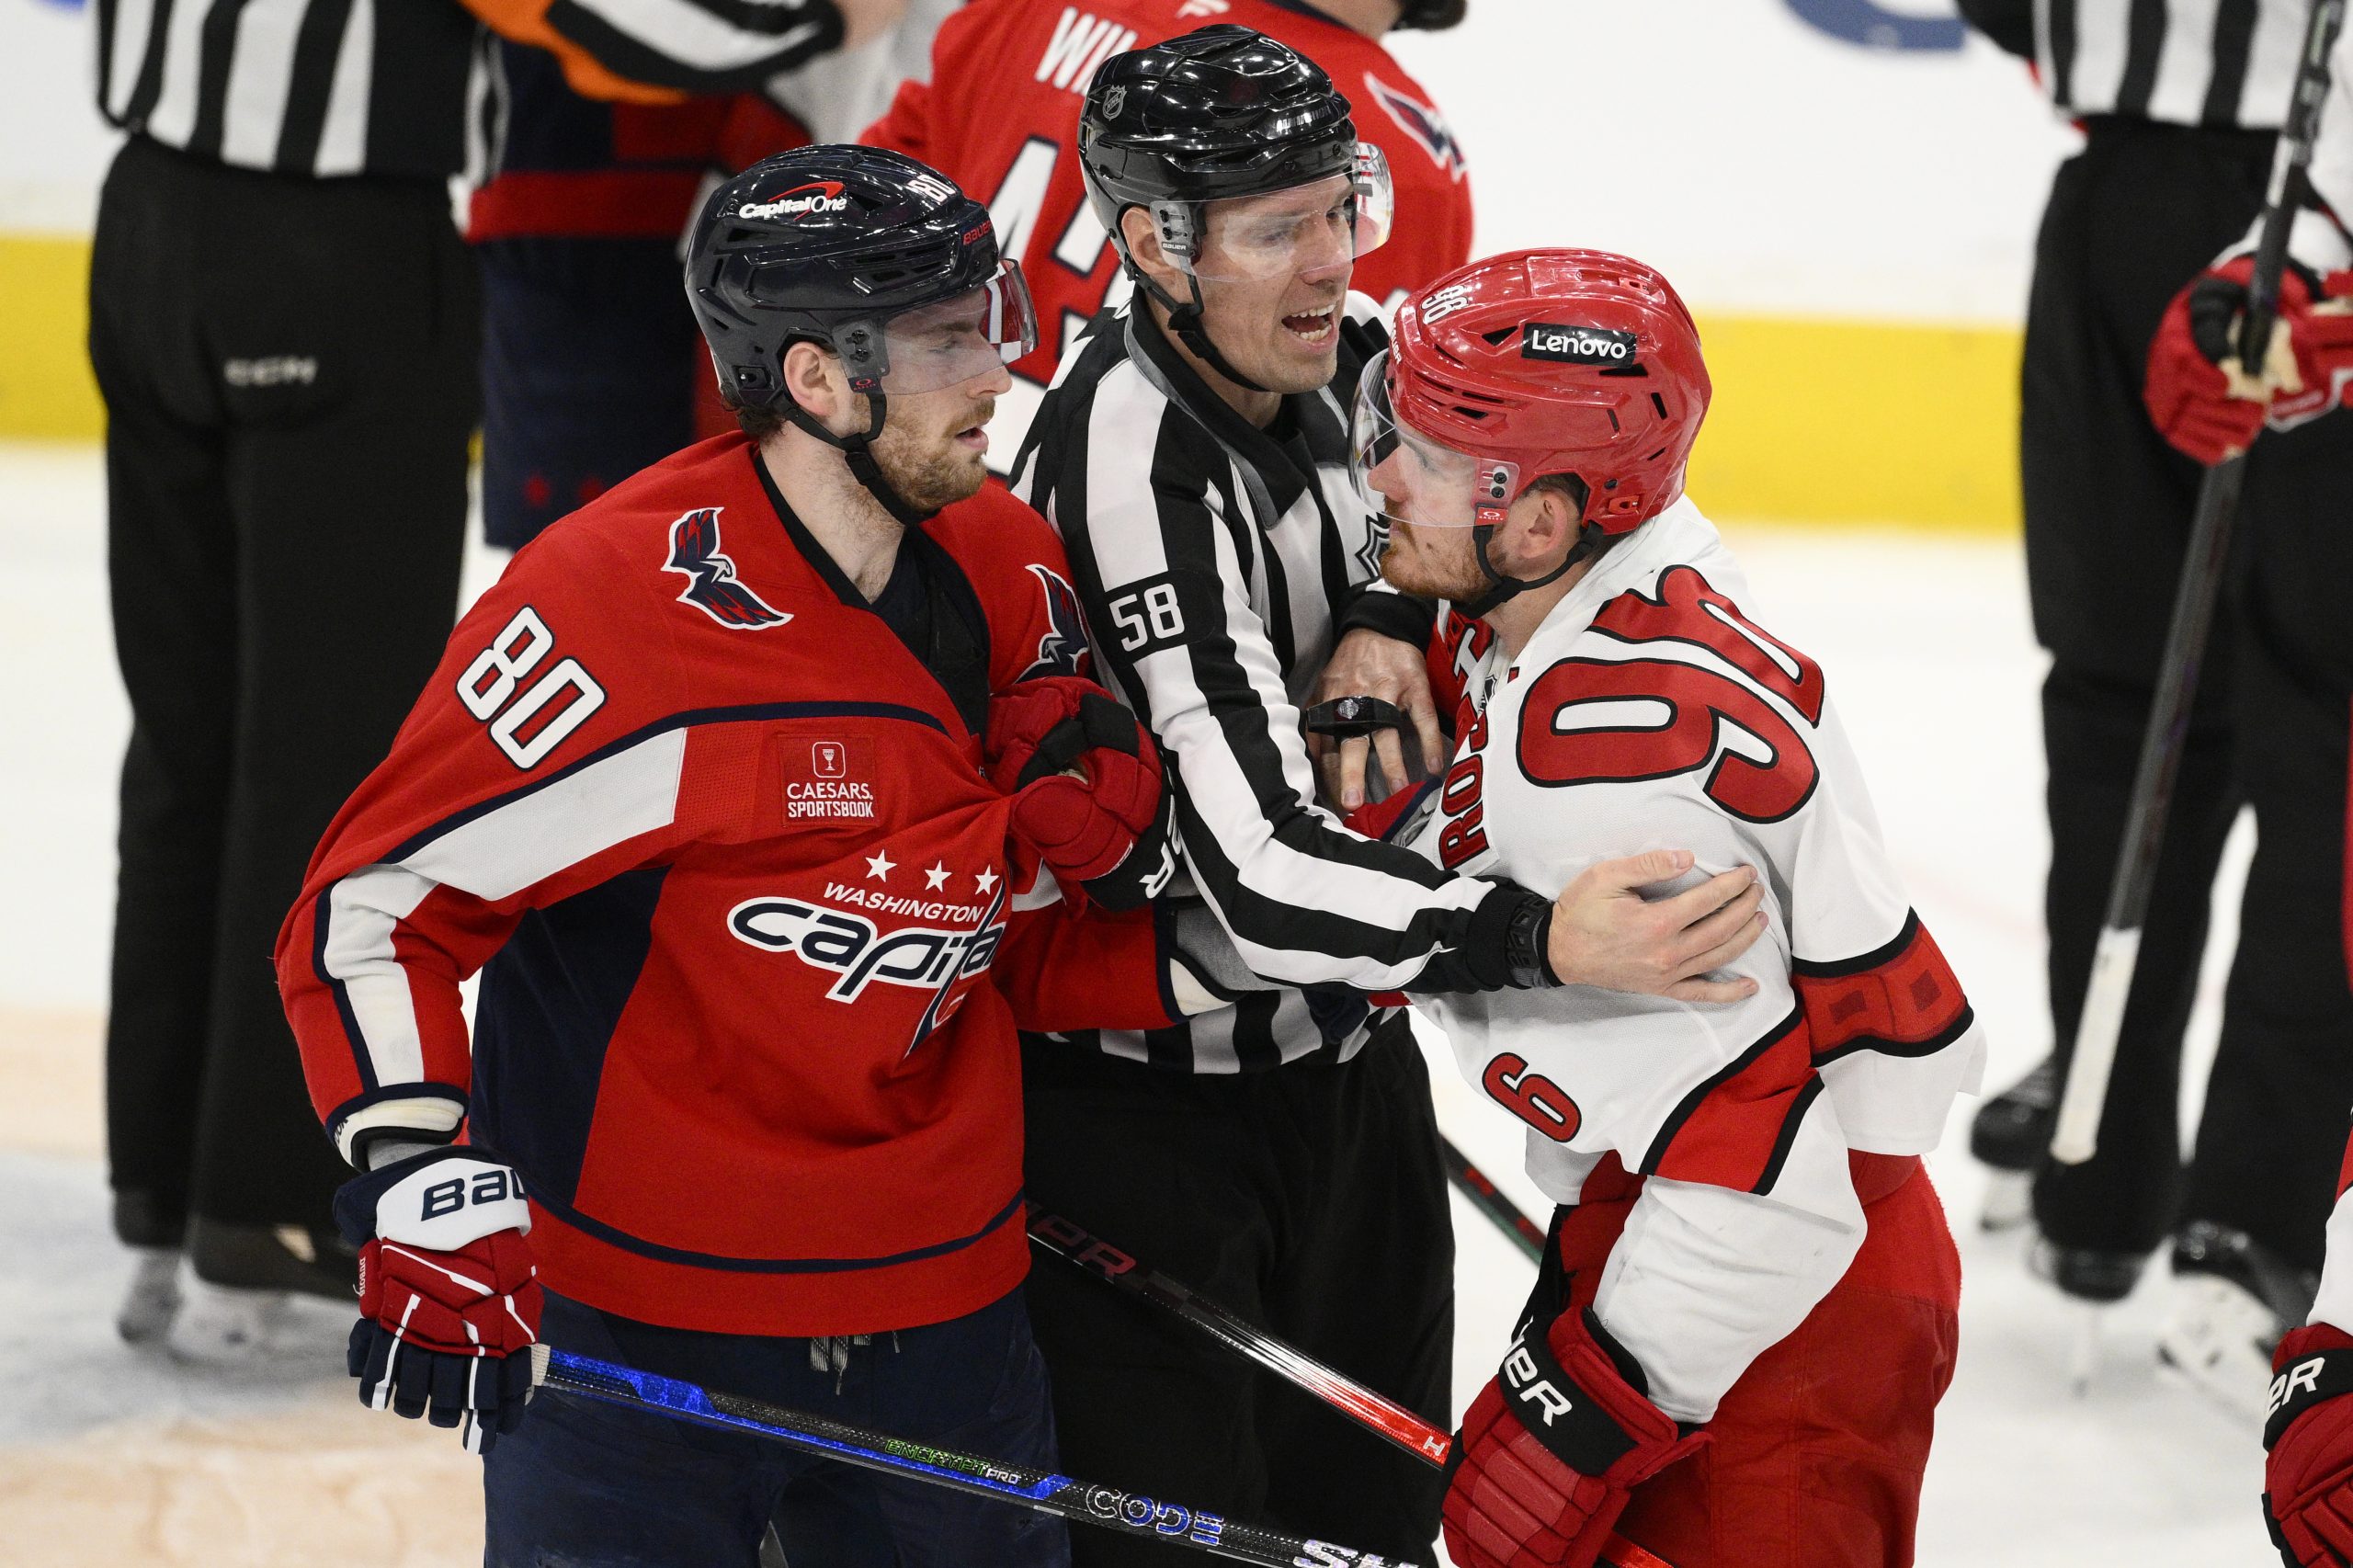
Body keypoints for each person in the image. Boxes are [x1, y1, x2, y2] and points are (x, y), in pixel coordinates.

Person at [273, 143, 1176, 1567]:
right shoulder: (607, 612)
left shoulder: (1004, 557)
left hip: (946, 1302)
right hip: (640, 1337)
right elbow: (377, 906)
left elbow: (1055, 863)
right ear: (817, 381)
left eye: (988, 317)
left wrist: (1106, 825)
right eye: (948, 338)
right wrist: (412, 1163)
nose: (997, 368)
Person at [1006, 28, 1774, 1563]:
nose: (1334, 262)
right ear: (1158, 243)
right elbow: (1261, 875)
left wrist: (1384, 606)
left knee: (1375, 1532)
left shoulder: (1358, 350)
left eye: (1341, 208)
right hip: (1142, 1129)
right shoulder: (1127, 458)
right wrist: (1546, 936)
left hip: (1347, 1090)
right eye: (1277, 229)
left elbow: (1486, 523)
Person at [88, 0, 903, 1359]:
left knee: (187, 735)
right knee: (325, 747)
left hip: (147, 230)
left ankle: (160, 1180)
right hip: (335, 247)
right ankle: (264, 1204)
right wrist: (817, 16)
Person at [1360, 249, 1982, 1568]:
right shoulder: (1607, 583)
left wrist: (1588, 1409)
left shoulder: (1605, 788)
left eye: (1417, 450)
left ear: (1536, 520)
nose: (1378, 477)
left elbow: (1774, 1185)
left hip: (1774, 1313)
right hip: (1758, 1251)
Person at [1955, 0, 2353, 1403]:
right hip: (2283, 206)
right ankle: (2237, 1220)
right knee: (2288, 723)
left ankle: (2112, 1185)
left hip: (2155, 203)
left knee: (2157, 709)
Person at [862, 0, 1475, 460]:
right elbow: (1381, 451)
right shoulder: (1403, 150)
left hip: (908, 505)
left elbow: (852, 231)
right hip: (1155, 555)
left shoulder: (1033, 11)